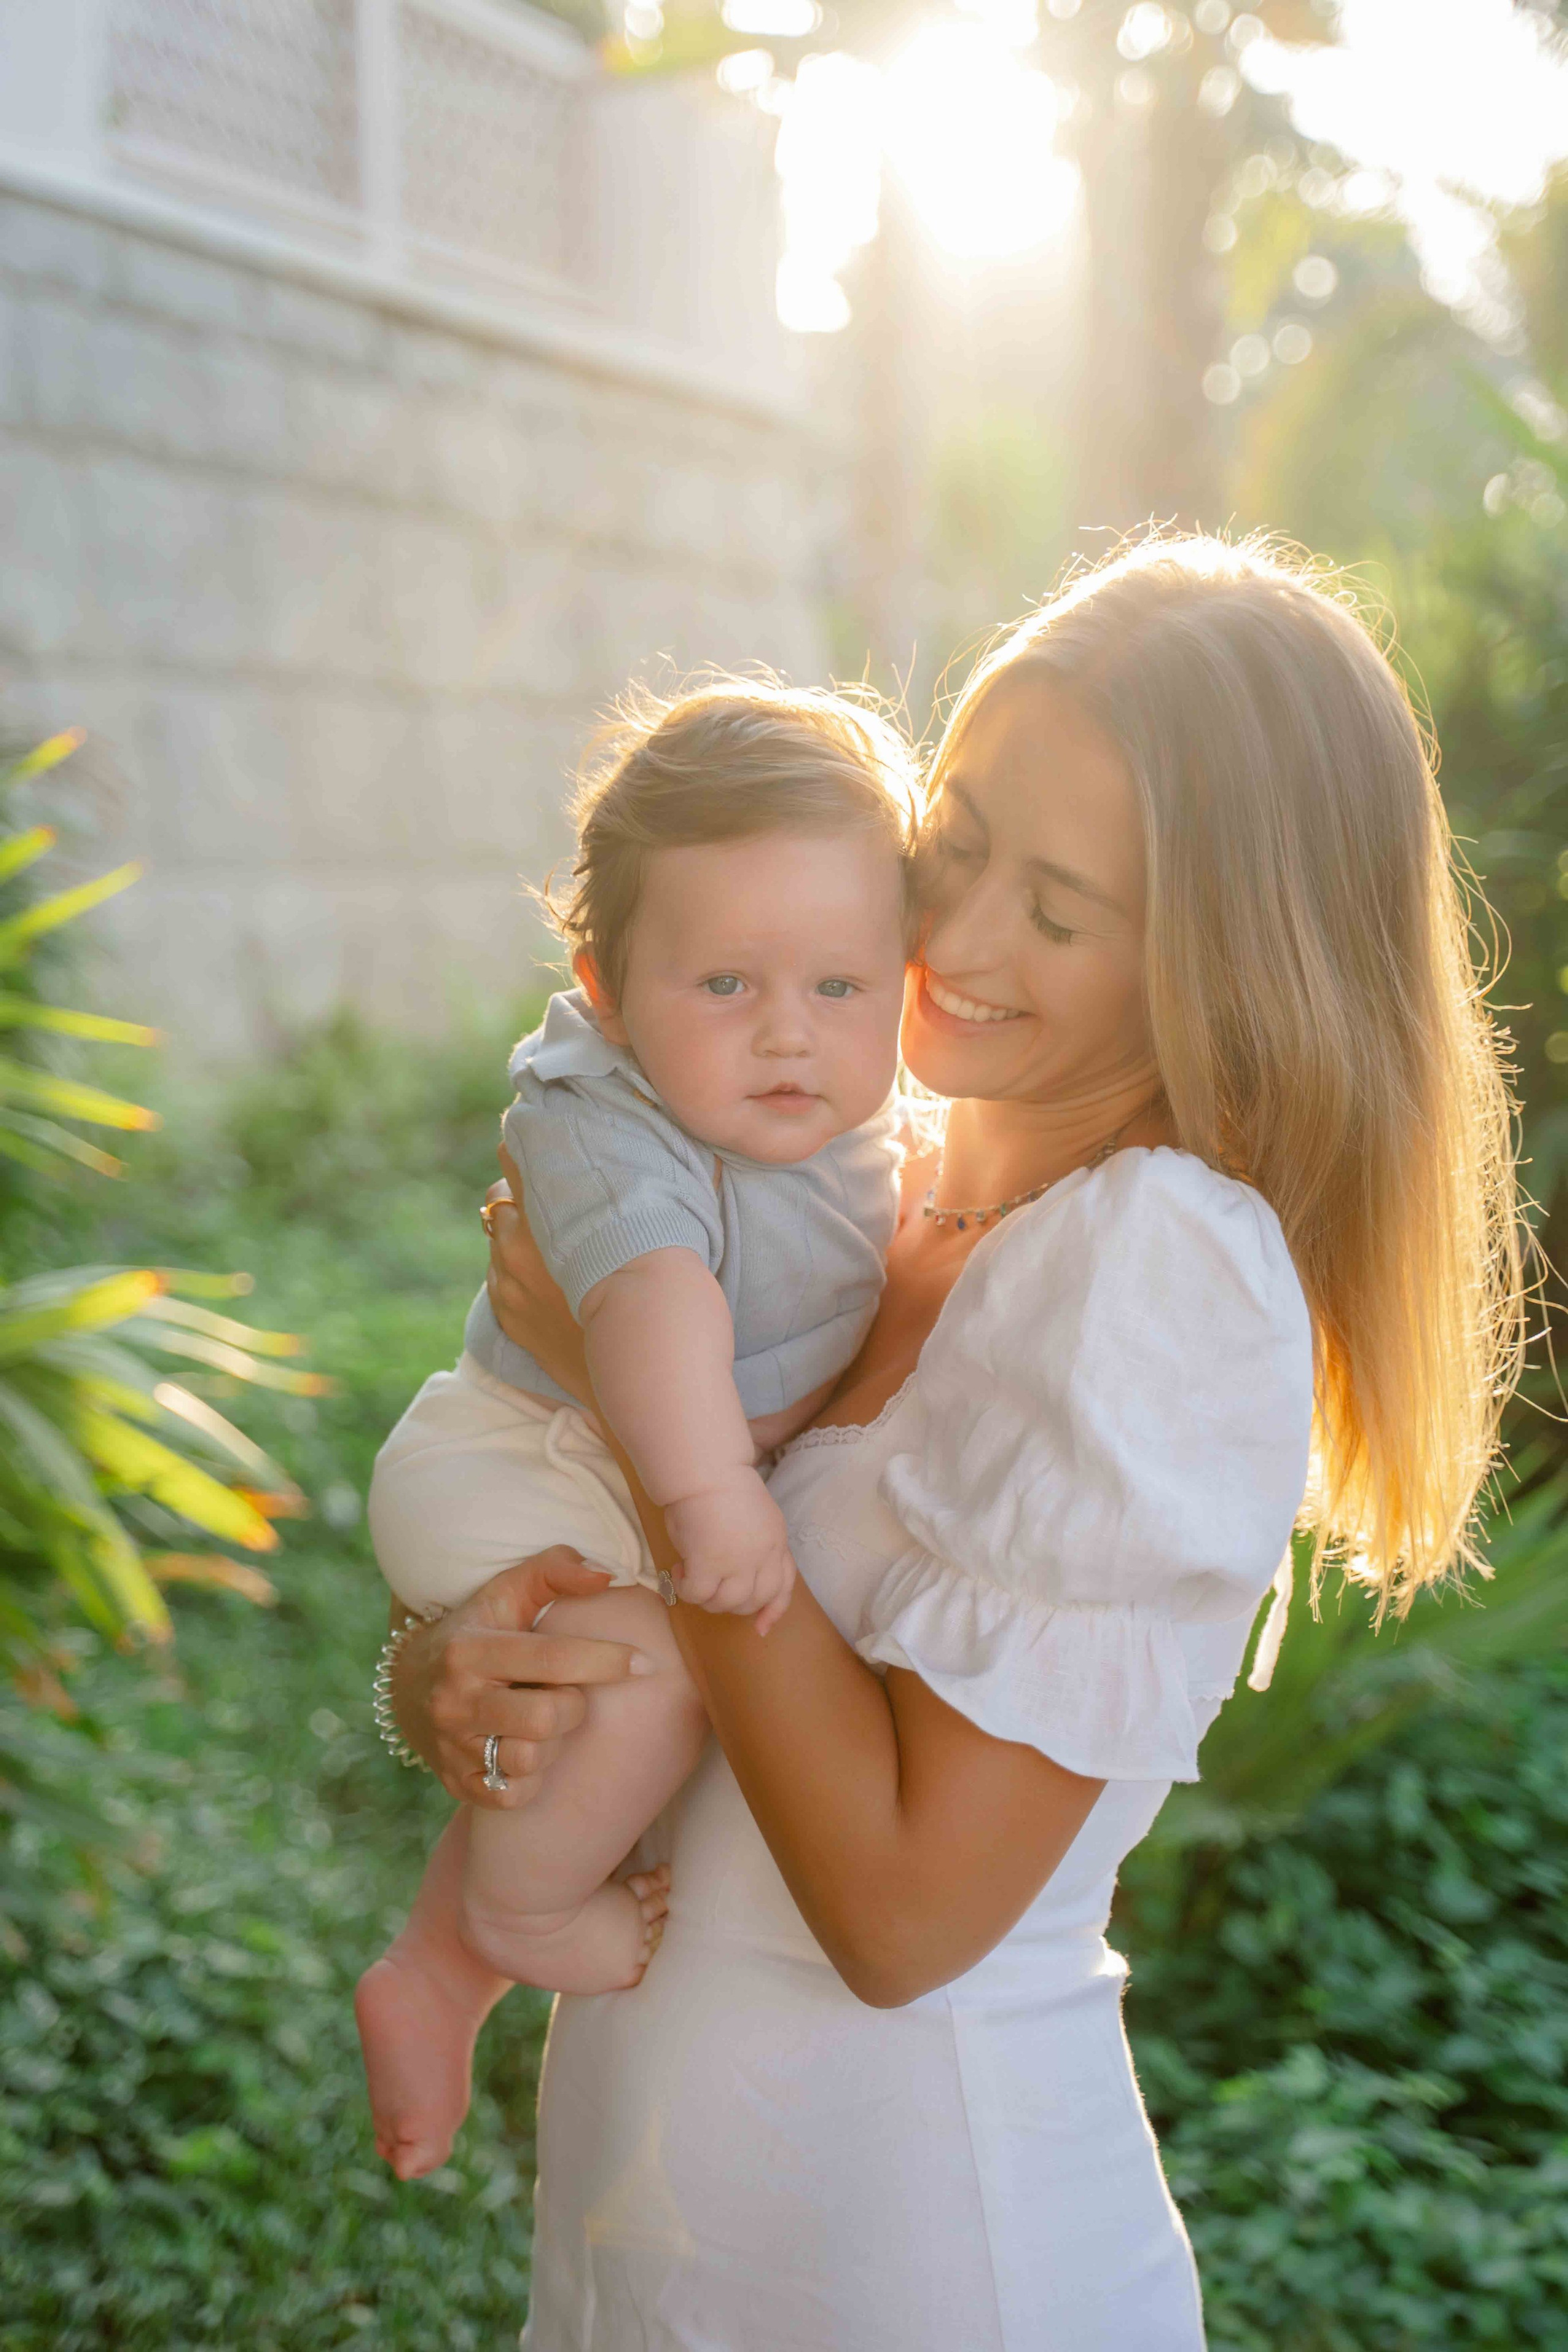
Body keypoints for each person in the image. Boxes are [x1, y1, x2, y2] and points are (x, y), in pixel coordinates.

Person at [385, 538, 1522, 2351]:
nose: (963, 941)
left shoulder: (1153, 1268)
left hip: (918, 2262)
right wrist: (452, 1673)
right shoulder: (860, 1176)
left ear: (1220, 959)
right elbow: (678, 1653)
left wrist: (650, 1422)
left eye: (1058, 913)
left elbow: (902, 1917)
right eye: (959, 843)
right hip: (655, 2229)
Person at [356, 682, 919, 2181]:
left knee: (611, 1690)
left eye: (840, 986)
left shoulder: (860, 1120)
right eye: (723, 984)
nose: (787, 1033)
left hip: (616, 1461)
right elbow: (651, 1307)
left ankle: (429, 1973)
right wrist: (713, 1499)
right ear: (605, 987)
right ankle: (515, 1916)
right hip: (528, 1461)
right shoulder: (600, 1117)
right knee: (659, 1663)